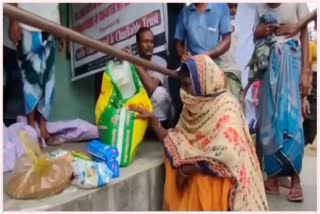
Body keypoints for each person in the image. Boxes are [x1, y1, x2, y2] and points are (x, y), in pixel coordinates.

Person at [130, 55, 268, 211]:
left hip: (224, 183)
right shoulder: (193, 105)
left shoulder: (226, 106)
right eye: (181, 85)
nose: (183, 91)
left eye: (187, 85)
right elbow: (176, 140)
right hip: (199, 178)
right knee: (173, 157)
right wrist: (154, 122)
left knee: (203, 178)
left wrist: (189, 168)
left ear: (204, 82)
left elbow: (227, 154)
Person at [253, 3, 310, 202]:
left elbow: (304, 35)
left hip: (292, 64)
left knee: (292, 121)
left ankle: (295, 180)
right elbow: (256, 38)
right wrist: (259, 31)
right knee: (270, 121)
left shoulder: (297, 3)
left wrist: (306, 71)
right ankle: (274, 179)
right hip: (269, 68)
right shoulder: (260, 7)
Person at [8, 3, 65, 146]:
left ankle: (44, 130)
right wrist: (14, 19)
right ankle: (31, 129)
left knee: (49, 80)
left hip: (52, 25)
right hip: (26, 22)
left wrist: (62, 29)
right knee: (30, 80)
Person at [128, 27, 173, 128]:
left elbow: (151, 88)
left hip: (155, 108)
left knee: (159, 93)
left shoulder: (160, 61)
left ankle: (160, 128)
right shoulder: (131, 62)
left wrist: (135, 63)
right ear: (138, 45)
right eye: (145, 41)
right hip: (137, 103)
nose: (149, 45)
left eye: (151, 42)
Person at [219, 3, 244, 108]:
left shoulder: (238, 32)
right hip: (219, 77)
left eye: (235, 7)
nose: (233, 10)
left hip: (235, 76)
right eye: (230, 6)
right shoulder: (213, 32)